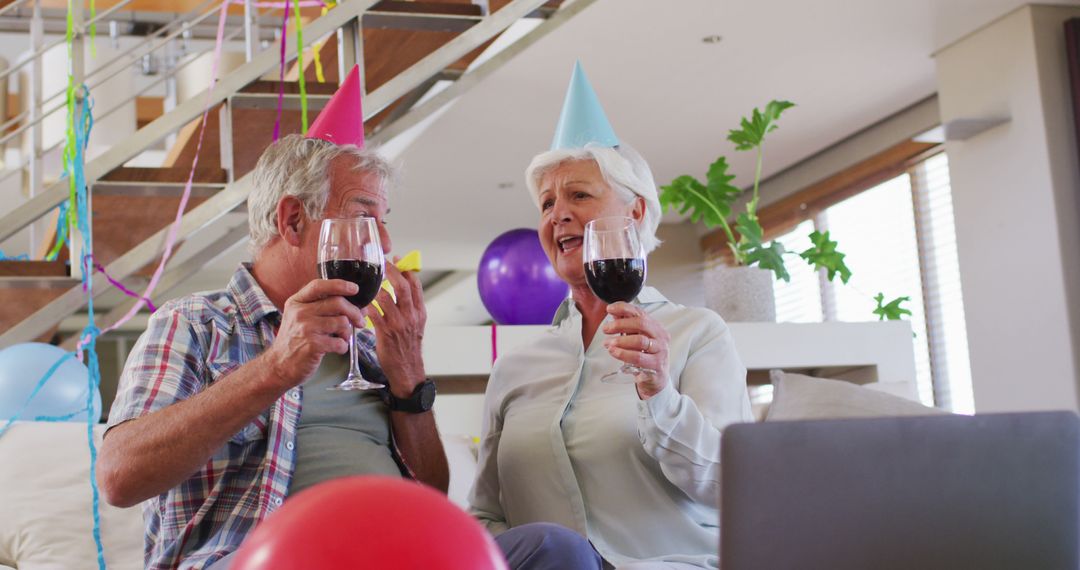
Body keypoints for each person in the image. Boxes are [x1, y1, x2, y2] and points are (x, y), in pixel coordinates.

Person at [98, 67, 599, 570]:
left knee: (555, 551)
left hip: (396, 553)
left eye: (385, 223)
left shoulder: (368, 343)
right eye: (363, 217)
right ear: (293, 220)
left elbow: (431, 496)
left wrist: (408, 379)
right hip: (262, 559)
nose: (382, 244)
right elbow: (119, 477)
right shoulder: (197, 323)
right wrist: (274, 369)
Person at [468, 64, 753, 570]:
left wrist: (658, 392)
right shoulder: (515, 368)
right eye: (547, 202)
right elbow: (488, 515)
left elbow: (732, 486)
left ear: (637, 213)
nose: (558, 214)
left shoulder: (696, 335)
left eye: (579, 195)